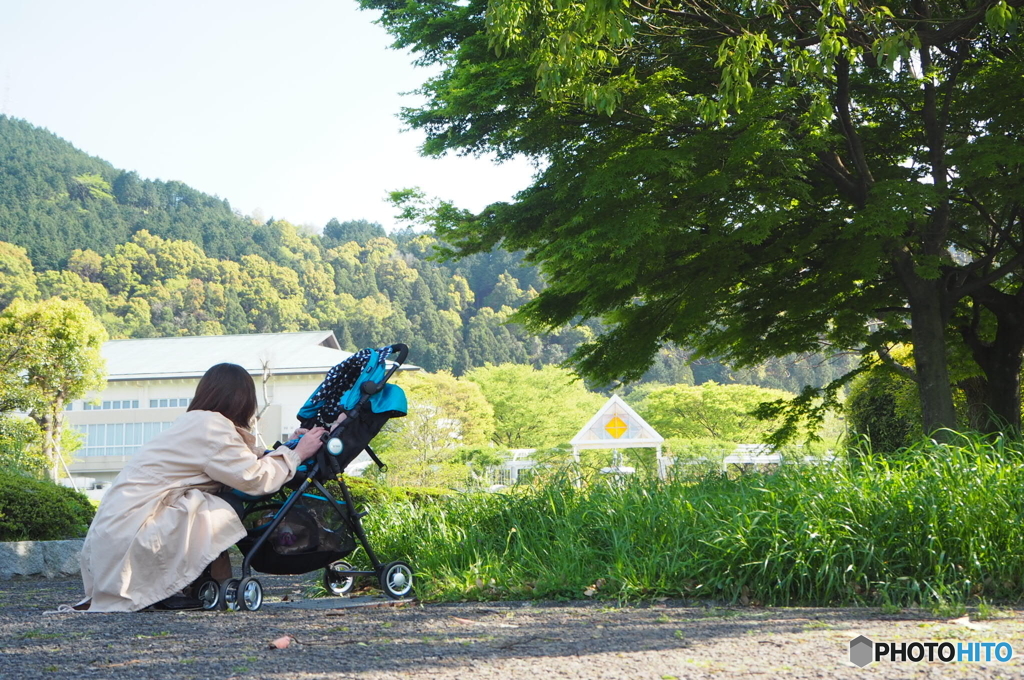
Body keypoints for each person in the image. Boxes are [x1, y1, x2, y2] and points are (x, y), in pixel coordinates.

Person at [74, 363, 326, 612]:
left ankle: (188, 585)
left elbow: (242, 458)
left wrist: (291, 446)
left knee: (214, 500)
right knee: (229, 505)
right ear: (243, 400)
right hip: (135, 533)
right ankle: (170, 589)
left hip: (115, 537)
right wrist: (298, 454)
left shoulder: (196, 422)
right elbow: (254, 479)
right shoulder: (211, 428)